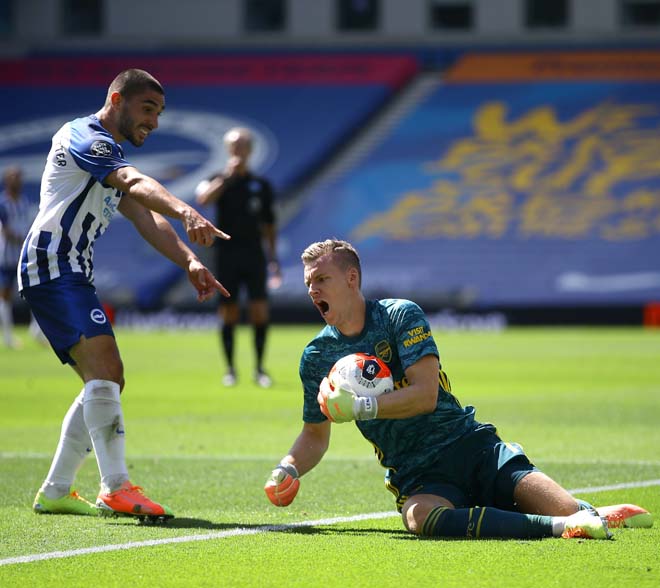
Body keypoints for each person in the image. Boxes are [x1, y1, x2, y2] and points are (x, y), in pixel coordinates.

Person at [264, 238, 653, 539]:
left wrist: (361, 407)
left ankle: (584, 513)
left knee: (567, 507)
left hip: (471, 448)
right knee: (419, 519)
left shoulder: (400, 315)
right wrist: (288, 468)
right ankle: (560, 527)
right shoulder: (317, 355)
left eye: (321, 279)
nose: (312, 290)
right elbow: (315, 435)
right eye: (309, 283)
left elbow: (424, 395)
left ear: (351, 279)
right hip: (417, 474)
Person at [21, 68, 231, 521]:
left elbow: (145, 218)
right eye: (147, 109)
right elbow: (137, 186)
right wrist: (187, 211)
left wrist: (190, 261)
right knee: (107, 370)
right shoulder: (86, 137)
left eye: (159, 112)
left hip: (69, 269)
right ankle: (116, 487)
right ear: (116, 99)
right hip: (53, 263)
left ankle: (56, 489)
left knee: (106, 380)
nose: (153, 122)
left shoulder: (108, 158)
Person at [195, 127, 279, 389]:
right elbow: (203, 198)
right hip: (226, 255)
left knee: (259, 311)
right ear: (228, 149)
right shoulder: (217, 179)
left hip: (254, 254)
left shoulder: (261, 185)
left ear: (250, 150)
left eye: (243, 146)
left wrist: (272, 258)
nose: (239, 150)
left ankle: (259, 368)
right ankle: (230, 369)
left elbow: (269, 225)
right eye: (234, 146)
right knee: (228, 312)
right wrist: (227, 178)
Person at [0, 166, 44, 348]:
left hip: (24, 256)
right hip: (6, 257)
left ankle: (36, 329)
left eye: (18, 177)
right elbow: (4, 228)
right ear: (6, 180)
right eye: (13, 177)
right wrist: (20, 238)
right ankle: (8, 336)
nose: (16, 180)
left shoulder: (24, 202)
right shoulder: (3, 204)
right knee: (5, 296)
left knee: (36, 289)